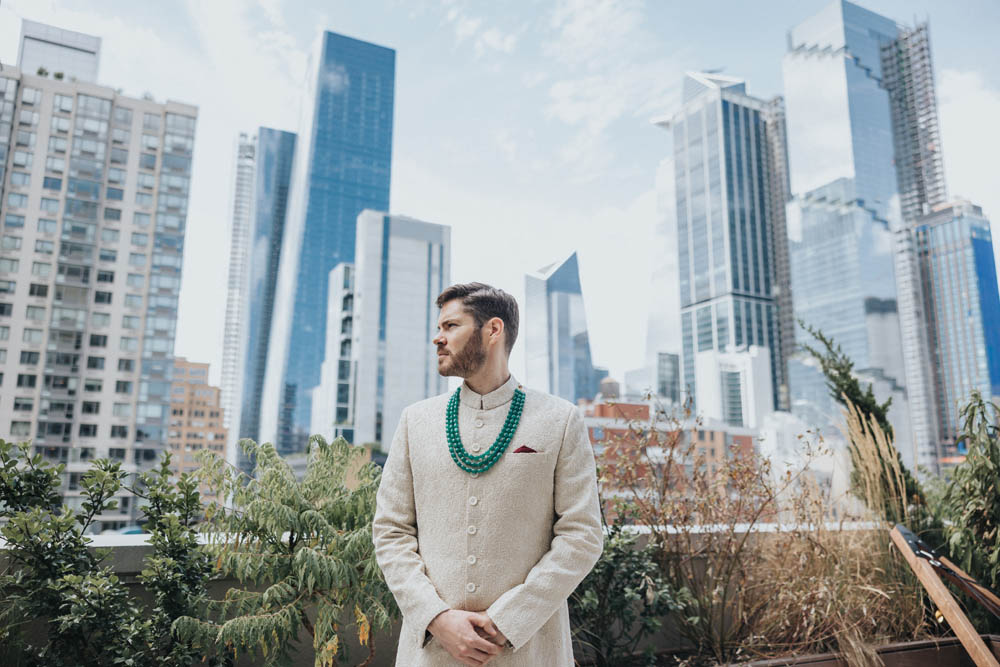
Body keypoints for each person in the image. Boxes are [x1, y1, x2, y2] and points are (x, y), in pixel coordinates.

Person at [372, 282, 604, 666]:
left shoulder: (560, 420)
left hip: (528, 650)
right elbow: (391, 530)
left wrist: (509, 620)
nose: (437, 338)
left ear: (492, 330)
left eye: (450, 326)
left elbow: (582, 534)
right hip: (432, 651)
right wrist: (436, 617)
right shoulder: (416, 421)